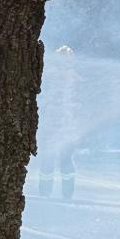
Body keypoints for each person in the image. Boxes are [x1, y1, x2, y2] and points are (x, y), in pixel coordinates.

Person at [38, 44, 78, 200]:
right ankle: (49, 193)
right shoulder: (51, 76)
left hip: (64, 128)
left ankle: (61, 193)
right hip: (56, 127)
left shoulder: (68, 77)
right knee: (52, 159)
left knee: (63, 160)